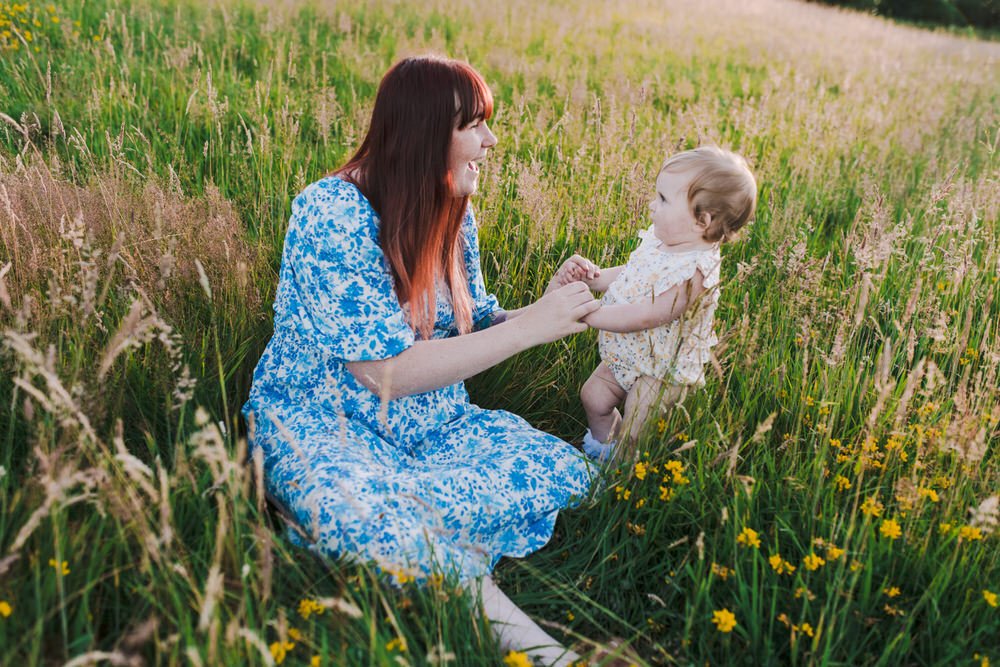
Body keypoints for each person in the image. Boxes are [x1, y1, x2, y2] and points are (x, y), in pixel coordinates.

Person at [241, 56, 600, 666]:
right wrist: (528, 333)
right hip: (324, 427)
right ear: (427, 131)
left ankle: (386, 530)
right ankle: (544, 653)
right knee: (386, 527)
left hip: (432, 426)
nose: (491, 141)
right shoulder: (332, 213)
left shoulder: (453, 209)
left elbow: (474, 324)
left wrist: (545, 308)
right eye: (475, 126)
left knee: (566, 474)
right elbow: (384, 373)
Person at [562, 146, 757, 462]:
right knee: (594, 396)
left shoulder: (695, 271)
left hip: (663, 366)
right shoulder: (661, 241)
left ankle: (622, 477)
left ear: (701, 221)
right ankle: (603, 453)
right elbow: (633, 273)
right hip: (632, 349)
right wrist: (594, 278)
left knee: (636, 425)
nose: (653, 205)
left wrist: (591, 314)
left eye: (664, 199)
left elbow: (647, 315)